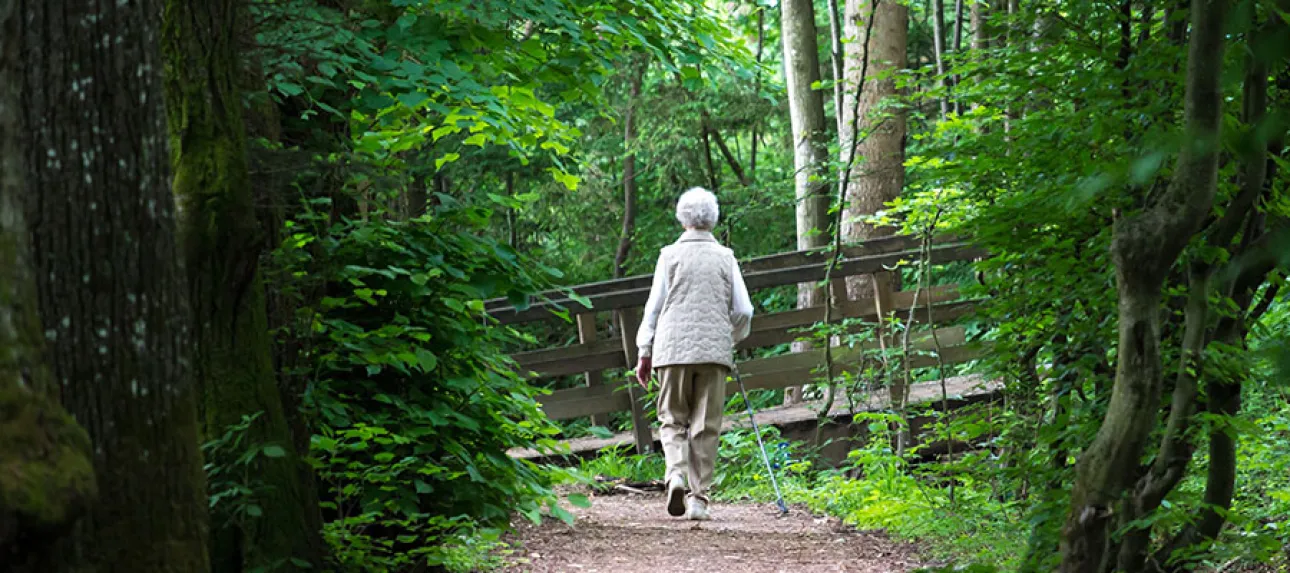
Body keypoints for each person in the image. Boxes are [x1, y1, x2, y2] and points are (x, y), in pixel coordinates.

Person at [634, 187, 754, 521]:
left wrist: (644, 350)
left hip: (671, 350)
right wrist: (728, 338)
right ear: (713, 218)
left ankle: (676, 474)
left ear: (682, 218)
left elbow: (654, 308)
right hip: (713, 353)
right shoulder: (725, 257)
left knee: (672, 418)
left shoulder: (668, 255)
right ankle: (699, 500)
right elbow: (744, 310)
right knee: (706, 425)